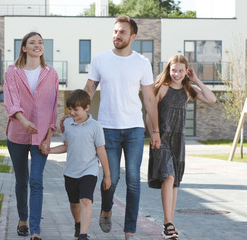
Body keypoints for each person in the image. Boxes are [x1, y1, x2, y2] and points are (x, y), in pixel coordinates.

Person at [84, 16, 161, 240]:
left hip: (135, 129)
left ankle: (130, 232)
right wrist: (76, 115)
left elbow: (149, 99)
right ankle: (106, 208)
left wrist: (155, 132)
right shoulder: (100, 60)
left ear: (133, 37)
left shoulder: (142, 63)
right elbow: (89, 89)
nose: (117, 35)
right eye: (115, 31)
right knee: (112, 178)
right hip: (107, 128)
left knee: (134, 181)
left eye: (122, 32)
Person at [146, 55, 216, 239]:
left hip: (179, 141)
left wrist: (197, 80)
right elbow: (149, 114)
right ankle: (168, 223)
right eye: (174, 70)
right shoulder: (162, 88)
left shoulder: (188, 90)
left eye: (181, 70)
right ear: (168, 70)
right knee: (168, 177)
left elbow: (212, 99)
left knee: (174, 182)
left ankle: (169, 222)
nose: (177, 74)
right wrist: (155, 134)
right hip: (162, 139)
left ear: (186, 72)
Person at [3, 32, 59, 240]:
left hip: (41, 136)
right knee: (21, 180)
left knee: (36, 181)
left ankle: (35, 230)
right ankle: (23, 220)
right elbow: (11, 100)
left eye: (41, 43)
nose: (37, 45)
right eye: (32, 42)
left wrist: (49, 136)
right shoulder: (13, 72)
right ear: (24, 48)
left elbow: (53, 106)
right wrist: (24, 121)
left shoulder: (51, 73)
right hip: (17, 133)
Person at [49, 89, 111, 240]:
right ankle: (78, 224)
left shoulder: (95, 126)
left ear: (87, 107)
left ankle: (83, 234)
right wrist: (49, 150)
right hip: (70, 171)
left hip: (88, 171)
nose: (72, 113)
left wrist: (107, 176)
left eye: (76, 110)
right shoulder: (68, 124)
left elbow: (101, 151)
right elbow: (65, 146)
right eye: (70, 109)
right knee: (74, 203)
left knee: (85, 200)